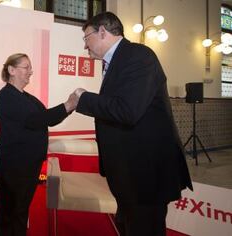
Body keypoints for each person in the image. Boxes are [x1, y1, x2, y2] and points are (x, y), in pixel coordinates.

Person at [74, 12, 193, 236]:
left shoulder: (139, 56)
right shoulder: (118, 60)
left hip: (145, 174)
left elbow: (127, 110)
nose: (85, 46)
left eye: (86, 38)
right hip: (129, 173)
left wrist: (83, 98)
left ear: (102, 32)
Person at [0, 53, 78, 236]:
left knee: (20, 211)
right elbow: (35, 120)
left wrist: (69, 107)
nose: (30, 72)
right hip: (14, 166)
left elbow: (47, 118)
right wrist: (67, 105)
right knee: (11, 214)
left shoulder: (26, 97)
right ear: (11, 70)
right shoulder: (6, 96)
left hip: (28, 165)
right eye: (26, 67)